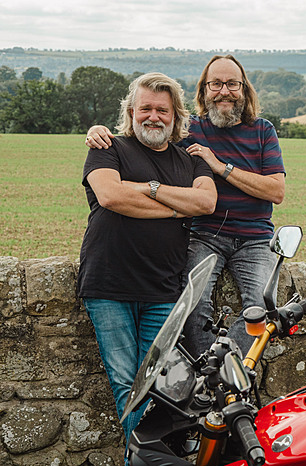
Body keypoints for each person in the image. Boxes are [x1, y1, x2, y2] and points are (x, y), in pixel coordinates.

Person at [86, 55, 286, 359]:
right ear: (204, 91)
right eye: (215, 84)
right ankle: (210, 374)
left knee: (262, 307)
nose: (224, 91)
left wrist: (219, 167)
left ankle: (224, 367)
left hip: (256, 239)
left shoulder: (263, 131)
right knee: (191, 305)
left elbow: (276, 191)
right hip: (204, 235)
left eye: (232, 84)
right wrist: (97, 130)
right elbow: (149, 135)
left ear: (244, 89)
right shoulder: (190, 130)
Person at [79, 72, 216, 466]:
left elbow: (206, 204)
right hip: (109, 284)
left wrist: (149, 190)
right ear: (130, 113)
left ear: (175, 116)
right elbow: (111, 196)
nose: (152, 116)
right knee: (127, 384)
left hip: (163, 288)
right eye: (144, 108)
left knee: (156, 386)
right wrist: (174, 207)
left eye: (162, 109)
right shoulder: (108, 147)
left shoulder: (190, 159)